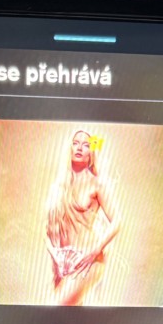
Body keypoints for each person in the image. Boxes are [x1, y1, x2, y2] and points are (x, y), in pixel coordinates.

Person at [44, 130, 119, 305]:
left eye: (85, 145)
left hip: (88, 262)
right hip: (64, 265)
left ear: (91, 153)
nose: (79, 148)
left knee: (56, 308)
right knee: (71, 317)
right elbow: (45, 230)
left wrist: (95, 250)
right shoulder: (59, 186)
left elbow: (117, 221)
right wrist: (56, 255)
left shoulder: (97, 184)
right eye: (76, 143)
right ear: (69, 148)